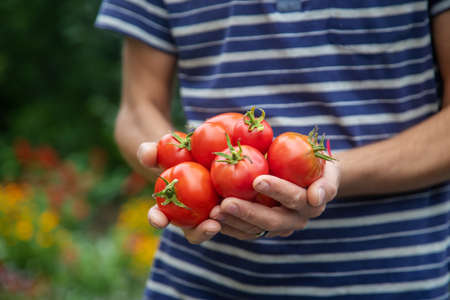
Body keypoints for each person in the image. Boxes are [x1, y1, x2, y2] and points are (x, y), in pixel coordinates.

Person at [95, 0, 450, 299]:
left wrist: (323, 175)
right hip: (199, 282)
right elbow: (137, 109)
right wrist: (184, 178)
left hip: (394, 278)